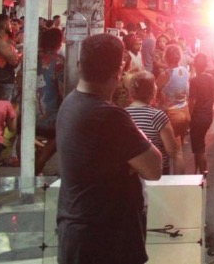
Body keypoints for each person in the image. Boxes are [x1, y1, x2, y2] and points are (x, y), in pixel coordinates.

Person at [56, 33, 162, 264]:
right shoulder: (110, 116)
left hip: (78, 236)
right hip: (105, 242)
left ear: (80, 65)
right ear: (119, 70)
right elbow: (154, 168)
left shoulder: (70, 103)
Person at [127, 71, 183, 175]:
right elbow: (172, 152)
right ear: (153, 91)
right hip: (158, 172)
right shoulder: (157, 116)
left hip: (134, 172)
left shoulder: (124, 115)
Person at [35, 27, 65, 175]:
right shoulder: (59, 61)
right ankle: (39, 163)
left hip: (30, 105)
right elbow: (62, 87)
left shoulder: (31, 56)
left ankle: (28, 169)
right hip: (50, 108)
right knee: (58, 136)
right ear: (59, 42)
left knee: (25, 135)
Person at [189, 53, 214, 174]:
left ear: (194, 65)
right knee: (199, 146)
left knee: (199, 149)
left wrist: (188, 116)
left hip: (197, 117)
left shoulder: (194, 81)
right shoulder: (210, 78)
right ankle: (198, 173)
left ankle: (203, 175)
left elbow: (192, 101)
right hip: (208, 116)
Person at [157, 44, 190, 158]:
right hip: (185, 111)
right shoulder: (185, 71)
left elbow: (154, 91)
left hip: (171, 113)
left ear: (166, 57)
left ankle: (170, 175)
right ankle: (179, 174)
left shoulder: (165, 74)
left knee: (171, 153)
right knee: (179, 149)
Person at [0, 13, 21, 103]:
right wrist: (22, 55)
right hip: (2, 83)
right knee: (3, 111)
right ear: (4, 25)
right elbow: (14, 61)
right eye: (10, 23)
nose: (11, 26)